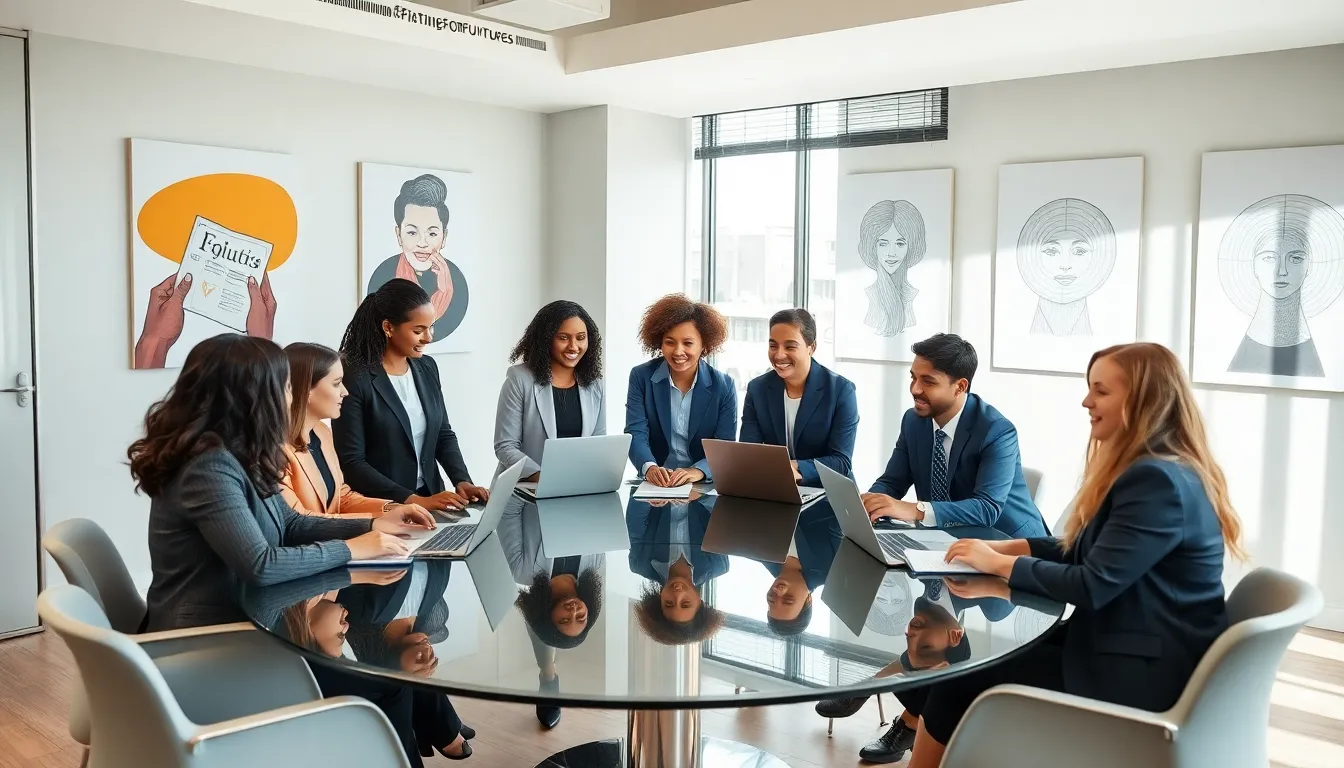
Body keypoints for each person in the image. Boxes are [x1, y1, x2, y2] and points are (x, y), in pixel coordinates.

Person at [900, 342, 1246, 768]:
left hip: (1140, 667)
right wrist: (1008, 547)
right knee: (960, 670)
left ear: (1141, 399)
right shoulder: (1162, 467)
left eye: (1101, 391)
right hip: (1135, 642)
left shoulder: (1154, 481)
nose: (1086, 401)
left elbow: (1093, 583)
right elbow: (1088, 552)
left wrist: (1003, 566)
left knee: (960, 679)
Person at [128, 333, 470, 763]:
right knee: (386, 682)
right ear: (253, 396)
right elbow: (261, 564)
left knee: (387, 678)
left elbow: (289, 523)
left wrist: (375, 522)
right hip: (209, 647)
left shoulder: (238, 452)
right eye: (284, 387)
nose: (290, 396)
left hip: (245, 625)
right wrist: (356, 549)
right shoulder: (208, 466)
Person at [862, 333, 1048, 538]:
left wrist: (915, 510)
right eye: (914, 377)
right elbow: (892, 482)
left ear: (960, 386)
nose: (915, 389)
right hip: (946, 541)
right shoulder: (913, 421)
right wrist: (870, 503)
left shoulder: (996, 430)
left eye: (928, 382)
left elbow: (987, 509)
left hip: (1008, 545)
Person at [333, 278, 490, 512]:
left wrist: (462, 480)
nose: (429, 338)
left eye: (431, 327)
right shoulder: (354, 377)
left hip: (432, 499)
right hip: (384, 506)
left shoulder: (427, 368)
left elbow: (443, 434)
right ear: (388, 327)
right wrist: (412, 499)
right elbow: (352, 462)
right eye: (419, 330)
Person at [279, 342, 430, 519]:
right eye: (336, 384)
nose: (345, 392)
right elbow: (299, 521)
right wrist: (375, 522)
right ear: (306, 389)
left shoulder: (322, 432)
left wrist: (394, 509)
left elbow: (342, 498)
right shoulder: (273, 449)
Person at [499, 494, 605, 729]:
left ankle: (548, 676)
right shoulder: (593, 563)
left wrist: (544, 490)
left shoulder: (520, 570)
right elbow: (600, 512)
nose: (574, 610)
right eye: (581, 617)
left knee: (545, 634)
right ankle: (548, 675)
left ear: (549, 614)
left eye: (565, 618)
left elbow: (509, 507)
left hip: (535, 476)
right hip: (581, 483)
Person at [625, 294, 737, 487]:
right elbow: (635, 432)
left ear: (704, 345)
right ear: (659, 343)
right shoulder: (640, 377)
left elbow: (724, 445)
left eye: (688, 343)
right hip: (655, 485)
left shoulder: (724, 385)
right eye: (670, 342)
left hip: (702, 485)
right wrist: (650, 467)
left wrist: (698, 471)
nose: (678, 351)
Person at [740, 308, 858, 487]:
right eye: (773, 346)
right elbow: (748, 452)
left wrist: (791, 467)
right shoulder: (758, 389)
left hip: (828, 494)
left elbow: (841, 462)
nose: (779, 355)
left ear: (812, 348)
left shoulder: (841, 391)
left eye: (790, 346)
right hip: (774, 490)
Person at [495, 300, 606, 481]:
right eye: (563, 338)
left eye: (580, 337)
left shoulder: (595, 383)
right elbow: (505, 446)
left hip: (577, 487)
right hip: (525, 490)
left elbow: (599, 441)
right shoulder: (519, 379)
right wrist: (544, 477)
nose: (573, 346)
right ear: (546, 339)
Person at [366, 173, 469, 343]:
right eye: (412, 232)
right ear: (399, 235)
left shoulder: (457, 284)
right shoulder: (382, 276)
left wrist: (444, 292)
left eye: (432, 233)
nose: (422, 243)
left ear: (444, 237)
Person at [627, 495, 727, 645]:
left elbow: (635, 518)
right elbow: (723, 513)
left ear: (659, 600)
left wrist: (653, 493)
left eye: (668, 603)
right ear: (699, 602)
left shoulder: (640, 563)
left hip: (658, 479)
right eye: (685, 603)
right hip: (703, 479)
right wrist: (700, 494)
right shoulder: (717, 565)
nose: (677, 593)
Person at [858, 199, 927, 337]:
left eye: (900, 244)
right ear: (873, 246)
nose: (891, 253)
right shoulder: (867, 297)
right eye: (883, 244)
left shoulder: (915, 298)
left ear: (911, 246)